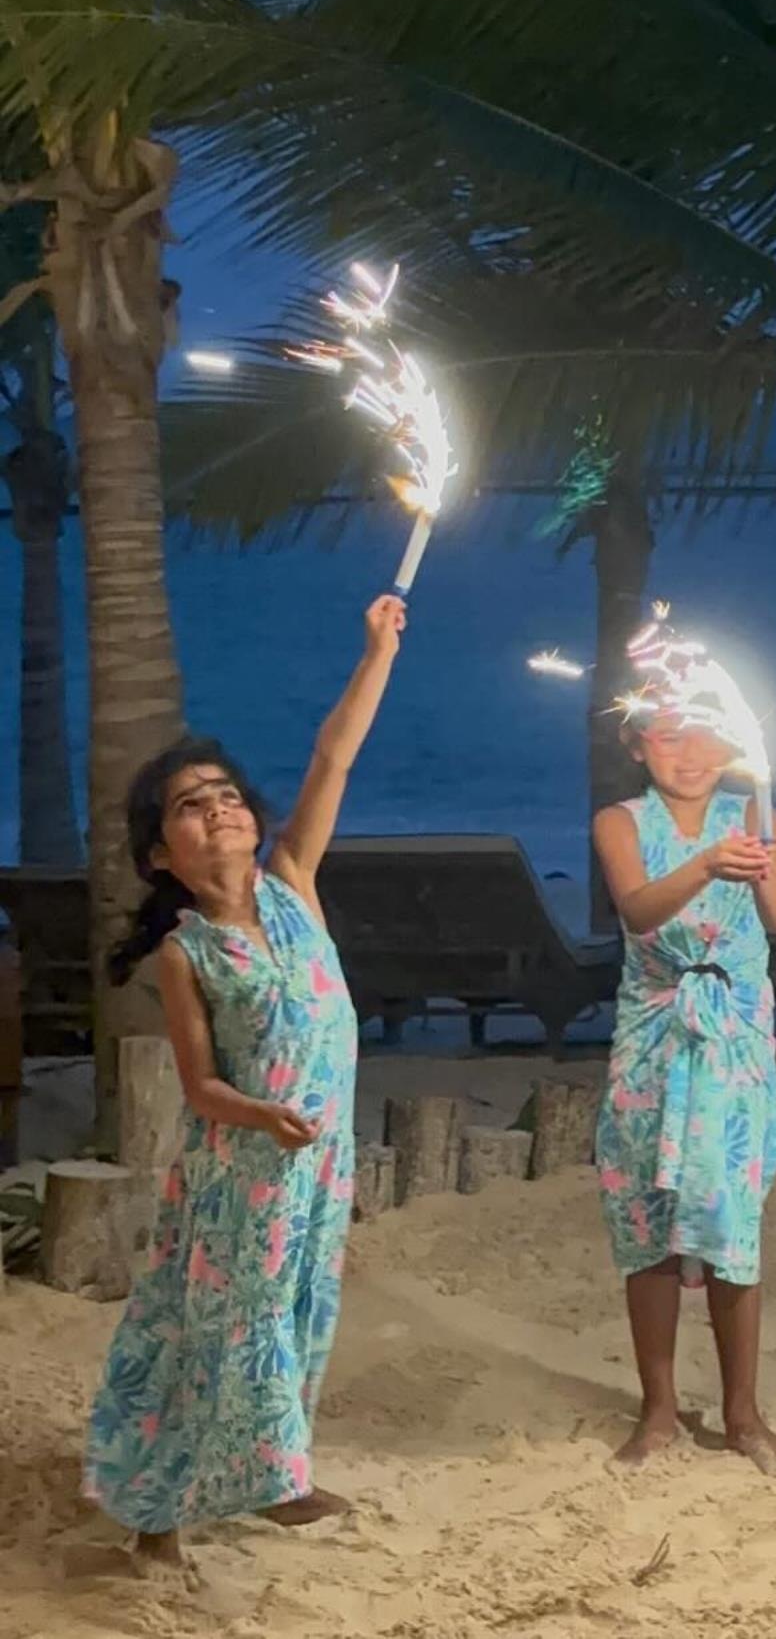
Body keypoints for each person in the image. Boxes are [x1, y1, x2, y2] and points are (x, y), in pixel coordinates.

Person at [85, 596, 407, 1561]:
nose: (218, 808)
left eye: (226, 793)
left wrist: (376, 652)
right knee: (214, 1335)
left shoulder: (294, 882)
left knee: (301, 1313)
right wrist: (261, 1115)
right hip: (239, 1175)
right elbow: (199, 1089)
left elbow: (333, 758)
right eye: (191, 804)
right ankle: (157, 1517)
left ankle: (276, 1475)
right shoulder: (191, 954)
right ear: (161, 856)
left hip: (318, 1164)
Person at [591, 689, 776, 1476]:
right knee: (646, 1216)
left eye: (705, 737)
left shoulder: (754, 815)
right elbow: (640, 909)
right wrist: (708, 863)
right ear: (639, 745)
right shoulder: (620, 820)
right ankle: (658, 1411)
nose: (689, 754)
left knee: (730, 1216)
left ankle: (743, 1413)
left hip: (735, 1039)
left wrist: (759, 866)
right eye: (669, 738)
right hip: (654, 1030)